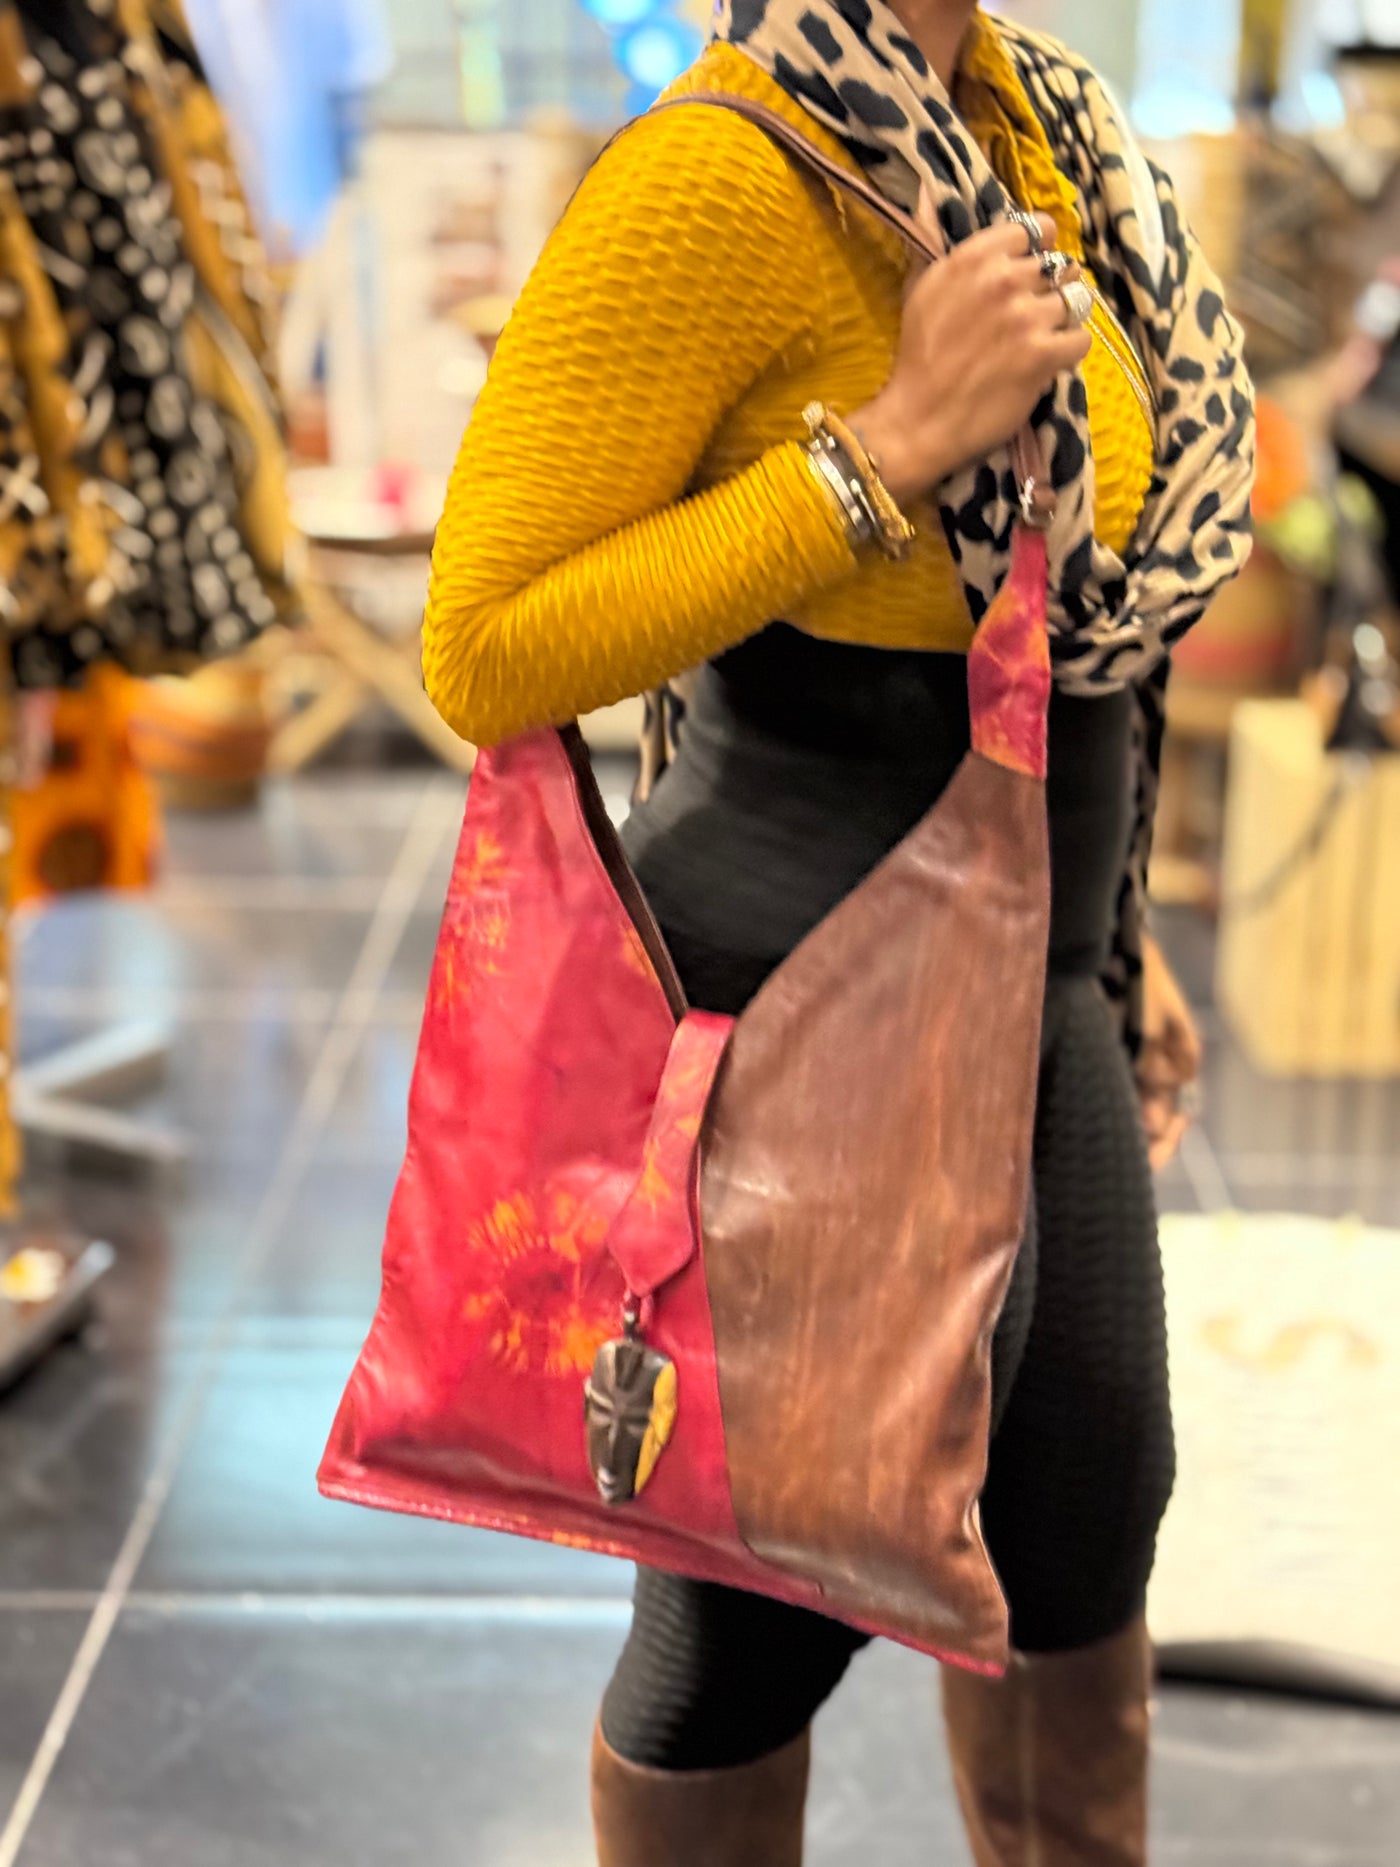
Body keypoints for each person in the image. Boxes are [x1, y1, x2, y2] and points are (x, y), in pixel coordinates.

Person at [422, 1, 1253, 1860]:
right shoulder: (717, 175)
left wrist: (1117, 934)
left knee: (1083, 1548)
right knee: (750, 1628)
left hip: (1039, 981)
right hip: (805, 994)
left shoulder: (1044, 128)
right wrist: (878, 450)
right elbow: (481, 643)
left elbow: (1076, 616)